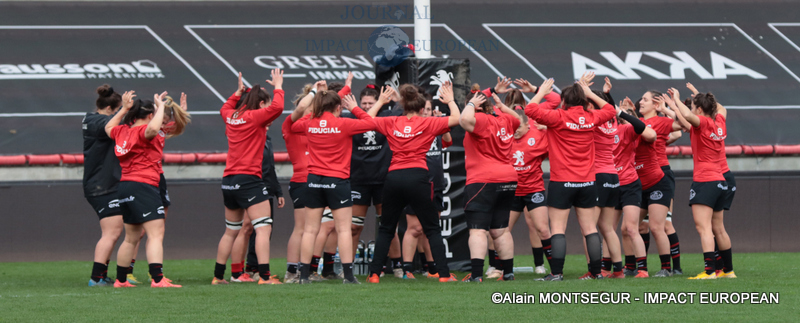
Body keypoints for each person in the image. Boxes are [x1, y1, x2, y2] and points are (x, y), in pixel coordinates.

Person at [366, 83, 460, 283]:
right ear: (420, 108)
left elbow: (367, 119)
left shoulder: (392, 121)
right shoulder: (429, 123)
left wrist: (381, 102)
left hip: (393, 177)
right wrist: (450, 100)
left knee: (386, 228)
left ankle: (374, 274)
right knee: (432, 228)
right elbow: (457, 119)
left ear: (403, 106)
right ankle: (443, 275)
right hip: (418, 177)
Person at [525, 74, 616, 281]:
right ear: (584, 100)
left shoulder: (558, 117)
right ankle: (596, 273)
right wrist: (590, 92)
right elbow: (610, 110)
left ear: (564, 101)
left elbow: (530, 110)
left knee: (557, 229)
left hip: (562, 181)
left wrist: (541, 92)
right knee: (590, 229)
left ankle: (556, 273)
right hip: (587, 182)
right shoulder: (592, 118)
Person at [292, 88, 377, 284]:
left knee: (310, 230)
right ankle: (348, 276)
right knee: (344, 229)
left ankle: (304, 276)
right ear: (338, 108)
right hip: (337, 181)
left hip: (313, 181)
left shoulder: (309, 123)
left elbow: (292, 125)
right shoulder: (344, 123)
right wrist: (355, 108)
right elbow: (371, 123)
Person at [106, 90, 187, 288]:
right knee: (156, 234)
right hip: (144, 185)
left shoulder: (122, 131)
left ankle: (121, 280)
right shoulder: (145, 131)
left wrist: (123, 109)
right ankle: (158, 279)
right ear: (151, 115)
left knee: (131, 238)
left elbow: (108, 126)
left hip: (125, 186)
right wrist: (160, 108)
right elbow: (151, 130)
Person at [212, 70, 284, 285]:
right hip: (249, 179)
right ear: (260, 103)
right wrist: (278, 85)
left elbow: (224, 108)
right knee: (263, 228)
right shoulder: (254, 117)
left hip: (229, 180)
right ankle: (264, 277)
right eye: (265, 104)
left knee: (230, 231)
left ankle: (218, 277)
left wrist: (236, 93)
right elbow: (278, 107)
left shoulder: (231, 116)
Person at [458, 78, 521, 283]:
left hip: (483, 179)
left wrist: (470, 105)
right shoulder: (504, 119)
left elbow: (464, 120)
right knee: (501, 230)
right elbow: (518, 119)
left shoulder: (481, 120)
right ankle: (508, 273)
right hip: (508, 179)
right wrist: (502, 107)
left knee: (478, 230)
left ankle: (476, 275)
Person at [667, 88, 734, 280]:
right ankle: (728, 271)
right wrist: (698, 97)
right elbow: (721, 108)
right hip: (720, 181)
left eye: (694, 105)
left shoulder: (703, 122)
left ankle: (710, 271)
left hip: (705, 181)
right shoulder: (719, 122)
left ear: (698, 110)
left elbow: (688, 115)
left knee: (703, 228)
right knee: (719, 228)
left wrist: (678, 99)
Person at [398, 91, 452, 279]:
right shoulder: (409, 127)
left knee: (432, 227)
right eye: (424, 109)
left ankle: (432, 269)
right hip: (417, 182)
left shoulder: (434, 126)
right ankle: (407, 269)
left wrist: (441, 124)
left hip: (435, 183)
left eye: (429, 109)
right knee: (414, 228)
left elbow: (447, 142)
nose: (426, 112)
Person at [84, 85, 125, 286]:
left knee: (115, 231)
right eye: (118, 110)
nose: (121, 114)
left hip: (105, 184)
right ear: (109, 109)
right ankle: (96, 278)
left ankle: (102, 275)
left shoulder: (97, 120)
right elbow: (112, 126)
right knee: (112, 231)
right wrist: (125, 110)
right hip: (101, 186)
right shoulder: (95, 121)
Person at [613, 98, 657, 278]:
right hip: (612, 184)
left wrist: (623, 113)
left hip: (629, 184)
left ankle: (643, 270)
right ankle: (616, 268)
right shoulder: (609, 130)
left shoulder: (630, 130)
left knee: (632, 228)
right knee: (611, 229)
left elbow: (648, 132)